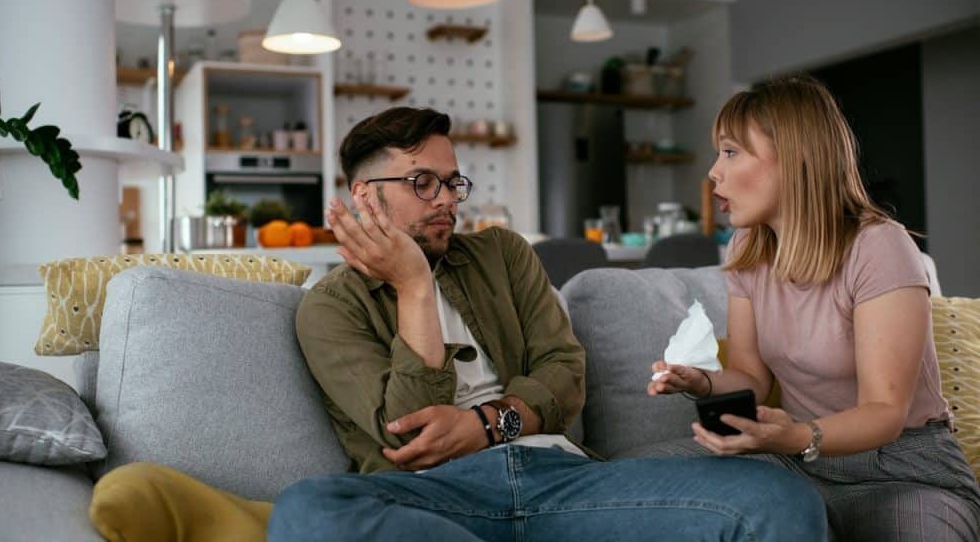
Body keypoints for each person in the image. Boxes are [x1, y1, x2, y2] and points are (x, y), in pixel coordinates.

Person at [267, 107, 826, 541]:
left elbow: (564, 374)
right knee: (310, 511)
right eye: (422, 183)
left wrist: (490, 424)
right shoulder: (330, 308)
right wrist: (414, 286)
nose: (445, 201)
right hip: (435, 500)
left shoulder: (502, 255)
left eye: (451, 182)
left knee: (779, 497)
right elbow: (413, 435)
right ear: (365, 197)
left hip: (559, 477)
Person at [647, 76, 980, 541]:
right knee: (637, 476)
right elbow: (751, 378)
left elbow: (884, 411)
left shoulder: (880, 246)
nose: (713, 173)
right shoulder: (747, 246)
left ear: (795, 157)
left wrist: (801, 437)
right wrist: (702, 381)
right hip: (797, 461)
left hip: (901, 468)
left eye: (730, 152)